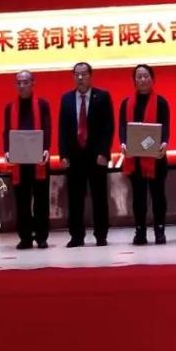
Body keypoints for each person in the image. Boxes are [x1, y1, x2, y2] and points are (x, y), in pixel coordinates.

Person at [58, 62, 115, 247]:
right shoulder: (66, 99)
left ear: (91, 75)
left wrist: (104, 152)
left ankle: (101, 235)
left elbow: (108, 127)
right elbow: (63, 129)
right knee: (75, 198)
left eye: (84, 74)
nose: (80, 78)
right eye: (77, 74)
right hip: (74, 156)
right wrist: (63, 155)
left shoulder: (102, 97)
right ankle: (76, 236)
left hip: (96, 156)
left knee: (99, 197)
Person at [119, 64, 170, 246]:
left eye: (146, 76)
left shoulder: (161, 102)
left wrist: (163, 143)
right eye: (139, 77)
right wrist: (123, 143)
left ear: (152, 79)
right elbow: (123, 127)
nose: (142, 80)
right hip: (135, 159)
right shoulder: (126, 103)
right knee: (138, 197)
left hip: (156, 157)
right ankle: (140, 231)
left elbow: (165, 127)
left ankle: (159, 230)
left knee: (158, 196)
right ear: (134, 80)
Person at [3, 70, 53, 250]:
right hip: (19, 160)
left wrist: (46, 148)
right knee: (22, 201)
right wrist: (7, 151)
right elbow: (6, 132)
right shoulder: (10, 108)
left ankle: (41, 237)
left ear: (33, 83)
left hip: (39, 160)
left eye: (25, 82)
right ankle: (25, 237)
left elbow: (47, 127)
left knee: (41, 200)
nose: (22, 86)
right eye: (19, 82)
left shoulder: (42, 105)